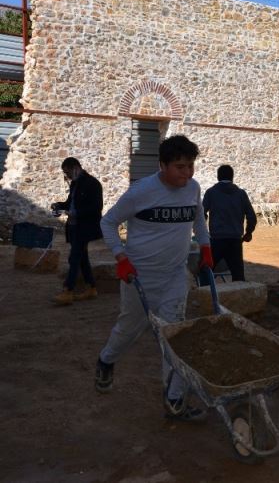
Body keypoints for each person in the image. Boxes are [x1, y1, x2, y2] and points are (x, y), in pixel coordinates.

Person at [94, 135, 213, 421]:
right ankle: (106, 360)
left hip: (175, 275)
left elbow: (198, 219)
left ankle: (174, 399)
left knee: (174, 336)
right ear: (162, 165)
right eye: (180, 167)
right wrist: (120, 257)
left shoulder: (193, 189)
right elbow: (108, 222)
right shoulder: (140, 192)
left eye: (190, 166)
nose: (187, 173)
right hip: (139, 277)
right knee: (129, 329)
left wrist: (206, 246)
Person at [50, 157, 104, 305]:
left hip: (85, 227)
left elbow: (96, 207)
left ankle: (68, 291)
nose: (66, 176)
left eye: (67, 173)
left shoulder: (93, 184)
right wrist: (59, 205)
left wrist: (76, 213)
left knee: (74, 258)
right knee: (82, 258)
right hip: (73, 227)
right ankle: (91, 288)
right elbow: (69, 203)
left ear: (75, 168)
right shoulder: (75, 184)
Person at [202, 164, 257, 281]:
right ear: (232, 177)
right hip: (235, 240)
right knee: (238, 276)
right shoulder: (241, 194)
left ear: (218, 177)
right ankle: (240, 298)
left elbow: (201, 214)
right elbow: (251, 216)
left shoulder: (211, 192)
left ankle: (206, 297)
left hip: (216, 240)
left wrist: (203, 232)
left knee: (205, 273)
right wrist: (248, 232)